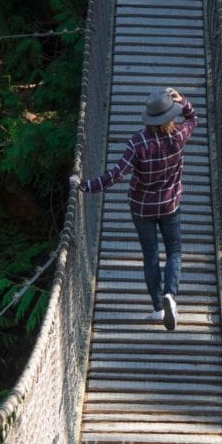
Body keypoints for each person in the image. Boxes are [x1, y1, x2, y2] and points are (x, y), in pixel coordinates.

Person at [70, 87, 198, 331]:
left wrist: (84, 185)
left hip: (142, 208)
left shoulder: (137, 142)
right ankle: (171, 294)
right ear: (171, 116)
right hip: (171, 204)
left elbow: (115, 175)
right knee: (174, 252)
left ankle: (159, 309)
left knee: (150, 255)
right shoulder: (179, 135)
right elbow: (193, 118)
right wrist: (182, 99)